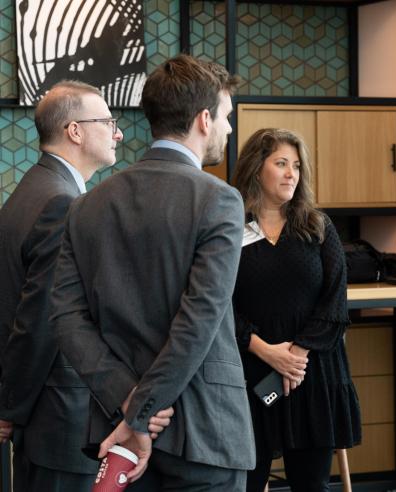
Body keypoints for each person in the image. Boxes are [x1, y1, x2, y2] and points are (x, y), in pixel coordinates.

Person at [50, 54, 255, 490]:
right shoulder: (219, 200)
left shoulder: (87, 205)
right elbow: (198, 320)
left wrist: (127, 403)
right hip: (204, 431)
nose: (229, 129)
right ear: (203, 119)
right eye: (226, 117)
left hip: (115, 432)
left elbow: (66, 319)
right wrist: (140, 411)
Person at [0, 81, 171, 491]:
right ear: (74, 131)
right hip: (59, 415)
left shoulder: (31, 190)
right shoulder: (61, 203)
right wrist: (10, 408)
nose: (119, 133)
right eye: (109, 121)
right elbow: (40, 322)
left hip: (43, 416)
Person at [232, 128, 361, 492]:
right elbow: (218, 301)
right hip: (252, 371)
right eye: (281, 164)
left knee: (312, 484)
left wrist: (296, 355)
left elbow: (335, 300)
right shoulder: (229, 228)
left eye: (297, 166)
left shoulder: (318, 227)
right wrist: (265, 350)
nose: (292, 173)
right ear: (257, 168)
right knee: (247, 481)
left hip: (312, 373)